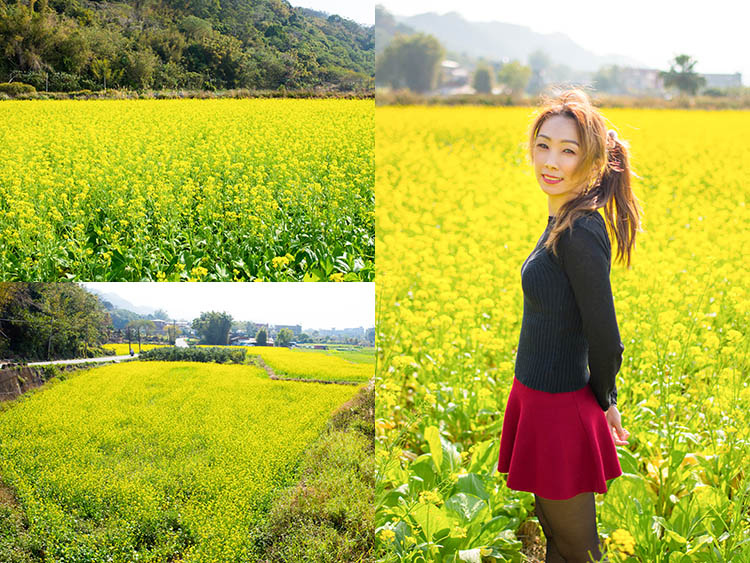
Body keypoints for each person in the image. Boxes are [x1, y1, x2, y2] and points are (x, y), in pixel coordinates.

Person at [496, 88, 643, 562]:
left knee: (579, 550)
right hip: (537, 400)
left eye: (567, 150)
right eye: (543, 145)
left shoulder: (580, 231)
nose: (550, 161)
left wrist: (607, 401)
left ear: (593, 162)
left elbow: (606, 337)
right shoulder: (561, 218)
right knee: (556, 541)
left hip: (560, 412)